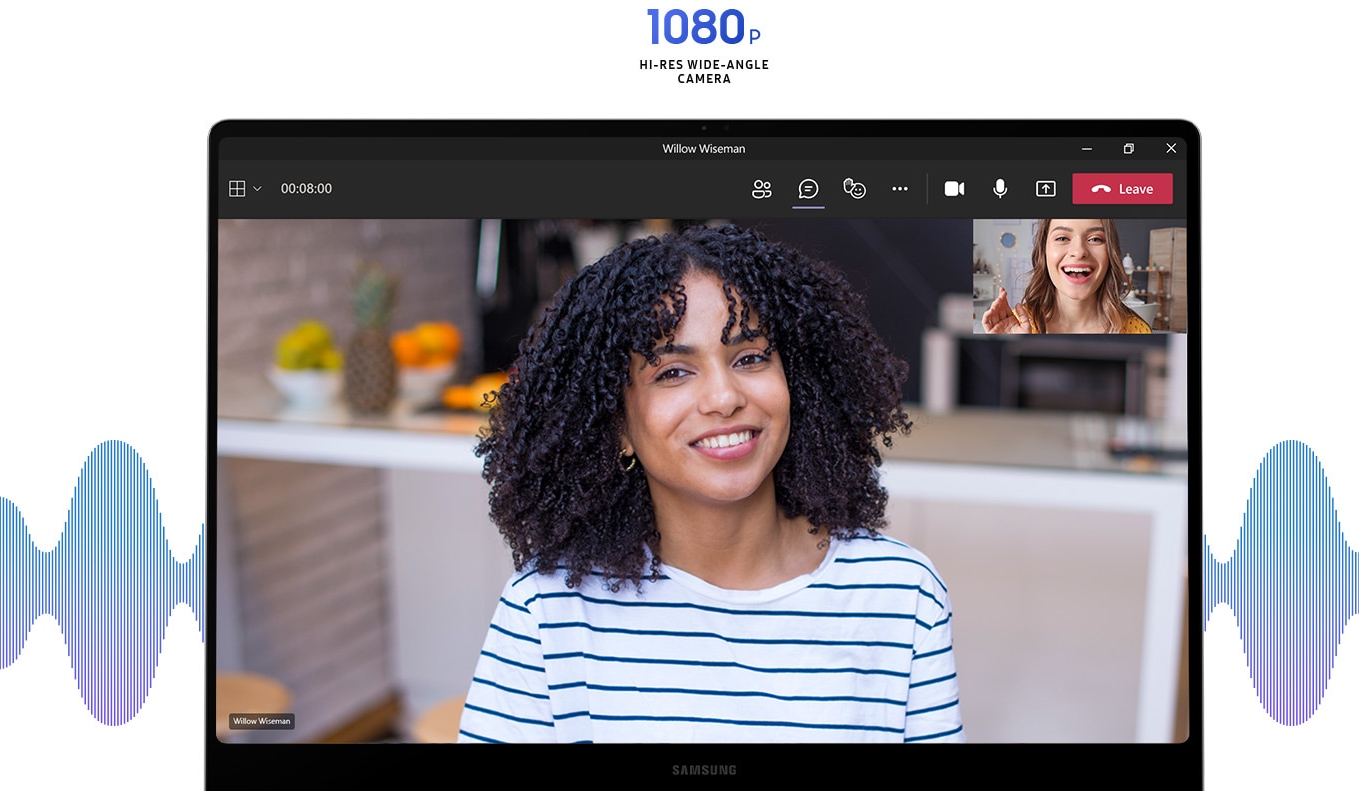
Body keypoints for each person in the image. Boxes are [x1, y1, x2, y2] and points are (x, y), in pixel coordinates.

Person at [460, 224, 963, 744]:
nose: (723, 398)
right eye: (672, 372)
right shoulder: (548, 610)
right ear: (617, 427)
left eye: (750, 358)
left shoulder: (900, 596)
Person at [982, 218, 1152, 334]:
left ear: (1111, 253)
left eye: (1095, 239)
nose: (1079, 252)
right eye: (1062, 238)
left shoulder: (1137, 329)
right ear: (1044, 252)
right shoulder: (1016, 325)